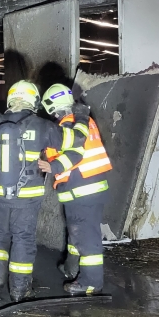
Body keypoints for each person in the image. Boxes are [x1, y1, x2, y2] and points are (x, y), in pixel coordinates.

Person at [0, 80, 60, 302]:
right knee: (23, 238)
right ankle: (19, 290)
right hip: (28, 196)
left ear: (11, 99)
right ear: (33, 100)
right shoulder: (43, 125)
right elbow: (68, 145)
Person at [39, 84, 112, 295]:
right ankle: (71, 267)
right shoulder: (82, 121)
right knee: (77, 232)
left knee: (86, 236)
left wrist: (52, 166)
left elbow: (75, 154)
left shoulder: (67, 124)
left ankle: (91, 282)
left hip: (82, 188)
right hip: (86, 187)